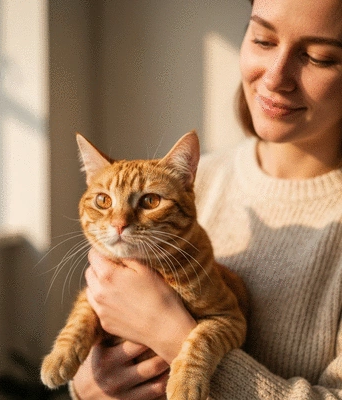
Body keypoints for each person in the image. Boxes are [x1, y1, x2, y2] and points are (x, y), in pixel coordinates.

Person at [69, 0, 342, 398]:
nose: (275, 77)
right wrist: (87, 388)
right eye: (263, 39)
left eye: (318, 57)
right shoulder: (192, 181)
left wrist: (176, 338)